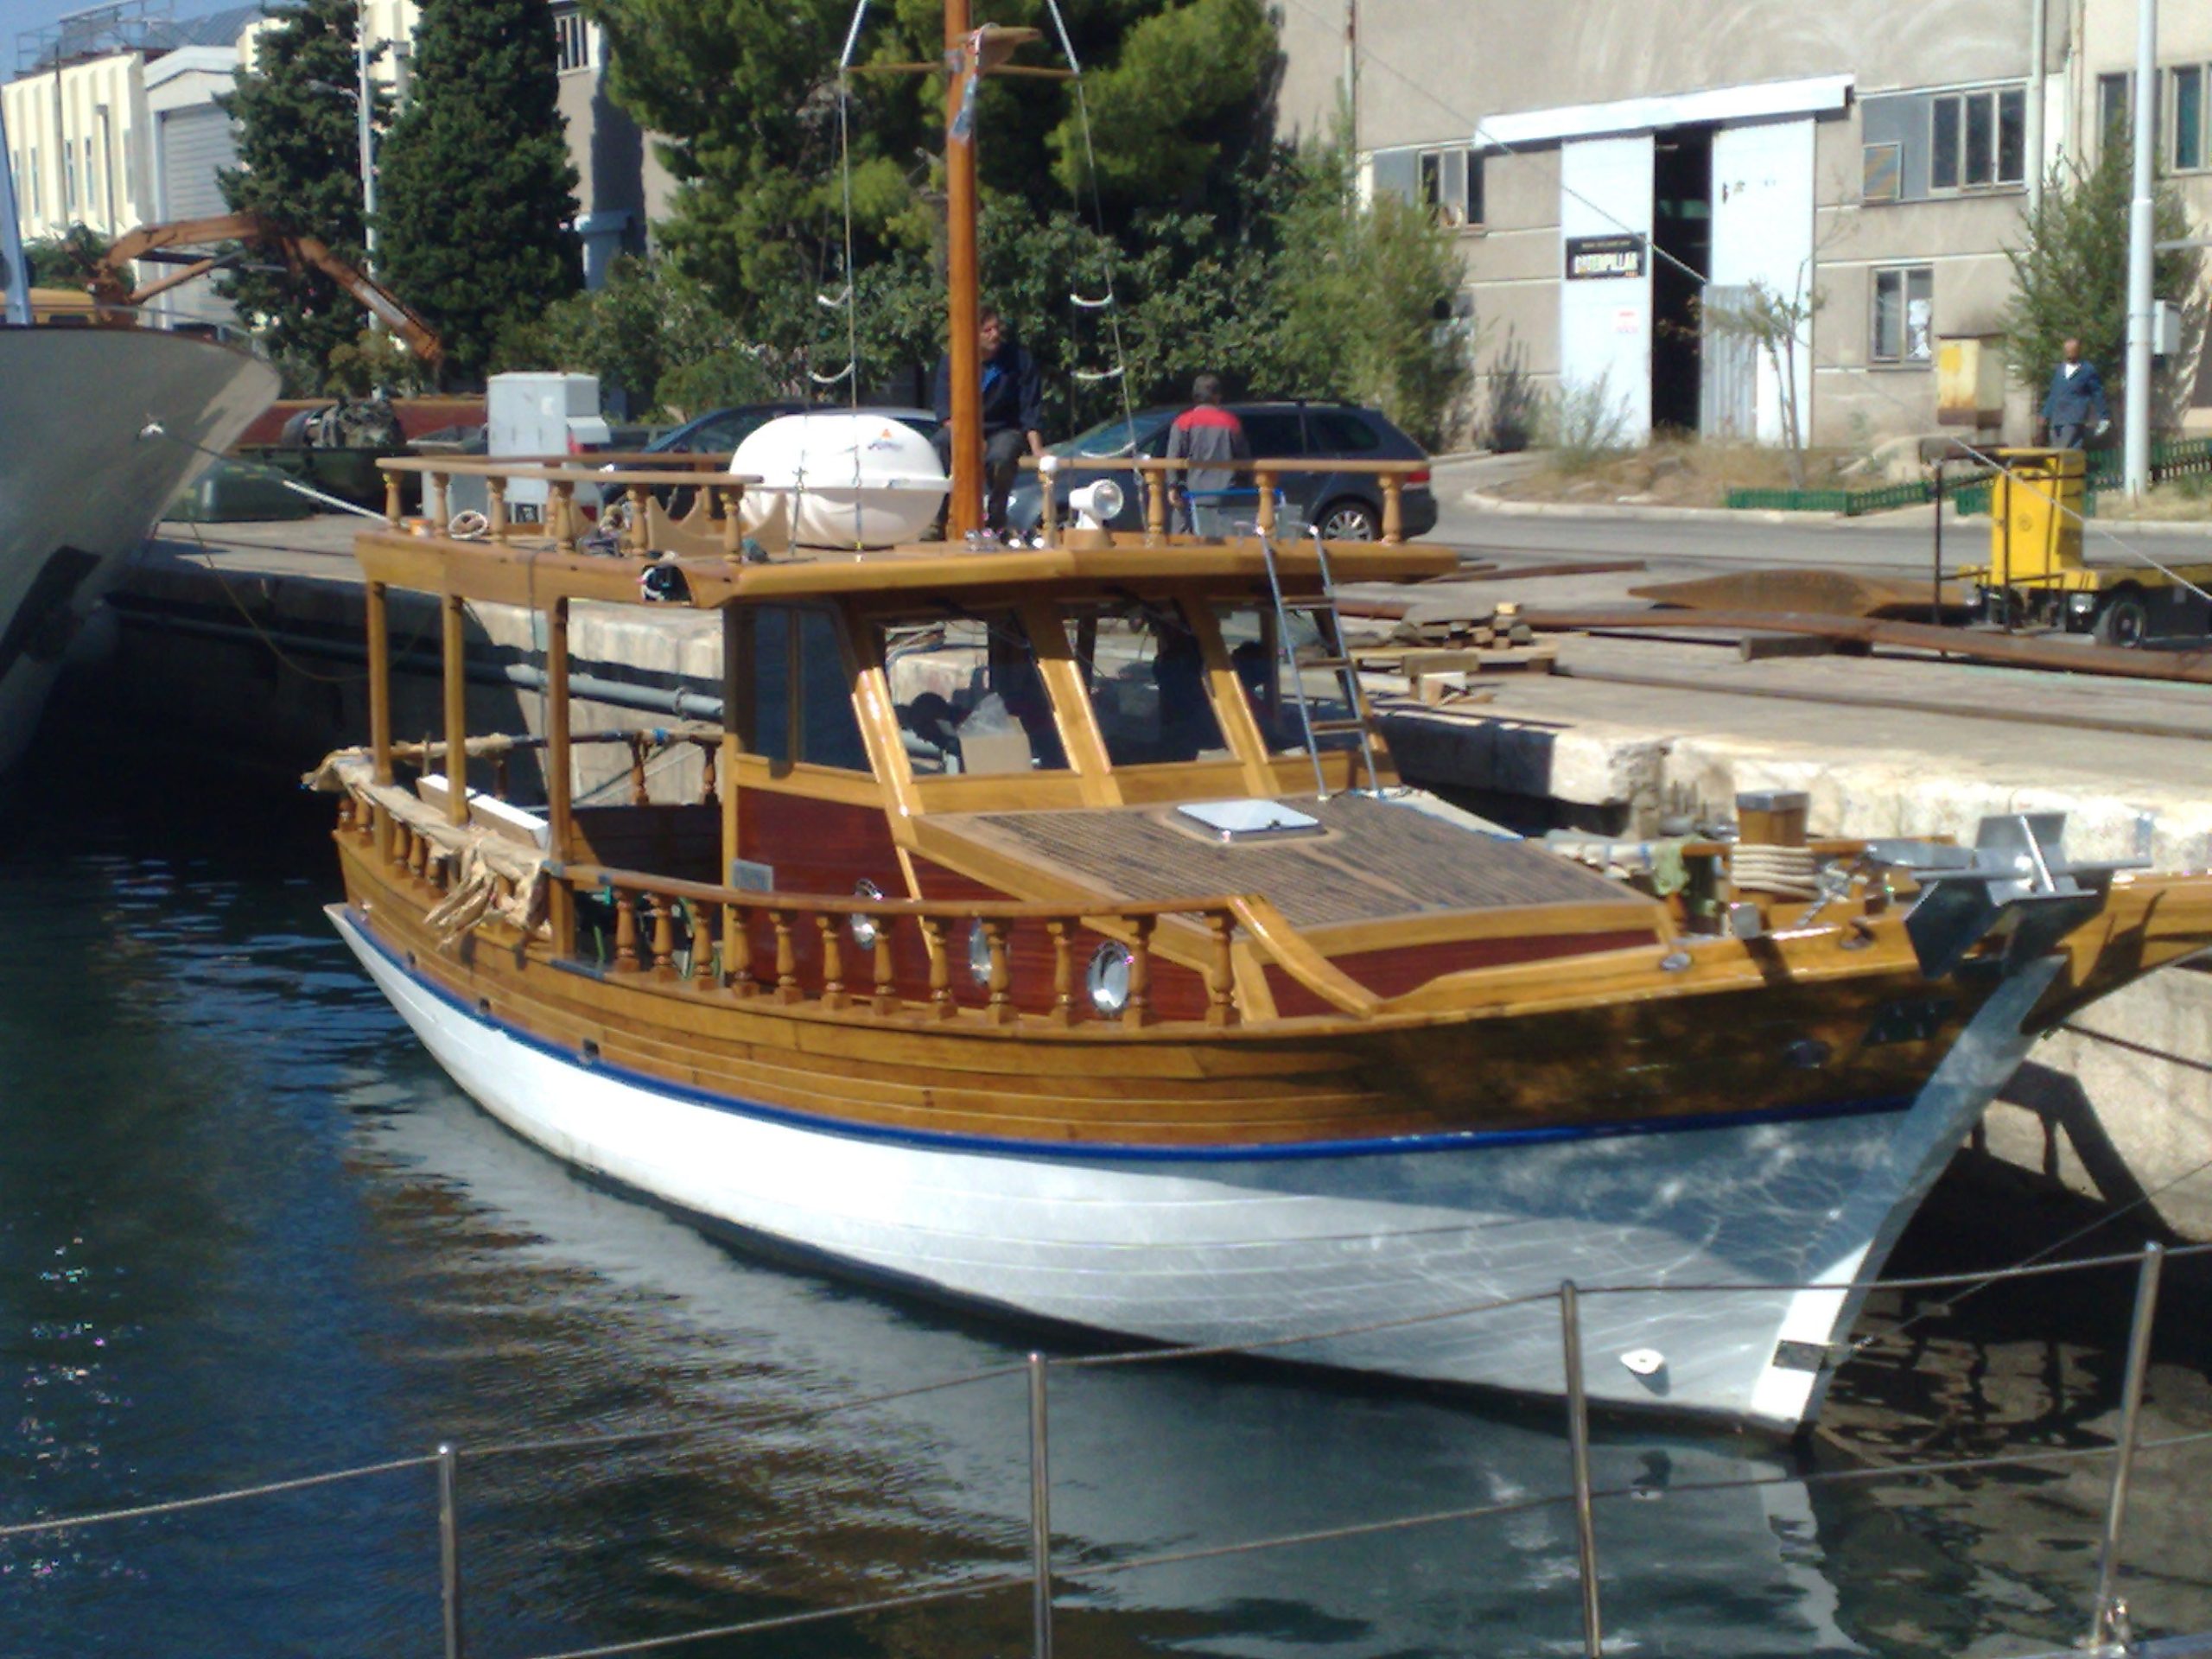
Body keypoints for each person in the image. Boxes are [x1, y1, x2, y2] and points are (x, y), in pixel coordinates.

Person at [931, 306, 1044, 534]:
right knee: (939, 444)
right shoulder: (953, 360)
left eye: (997, 328)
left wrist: (1037, 449)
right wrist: (970, 438)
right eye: (987, 330)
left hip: (1004, 428)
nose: (995, 335)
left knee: (1001, 456)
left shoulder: (1018, 359)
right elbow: (944, 408)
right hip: (962, 428)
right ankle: (935, 520)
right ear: (973, 334)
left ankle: (996, 520)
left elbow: (1029, 409)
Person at [1164, 373, 1249, 533]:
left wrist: (1172, 486)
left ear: (1195, 396)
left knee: (1183, 542)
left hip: (1190, 495)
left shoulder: (1183, 421)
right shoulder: (1230, 421)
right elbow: (1243, 458)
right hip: (1225, 497)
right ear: (1218, 396)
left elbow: (1172, 457)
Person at [2041, 338, 2111, 450]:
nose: (2069, 354)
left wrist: (2104, 416)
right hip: (2057, 418)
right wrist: (2045, 414)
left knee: (2065, 449)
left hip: (2074, 417)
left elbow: (2097, 393)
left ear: (2078, 351)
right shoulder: (2059, 370)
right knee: (2056, 450)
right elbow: (2054, 394)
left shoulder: (2087, 370)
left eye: (2072, 350)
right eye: (2067, 351)